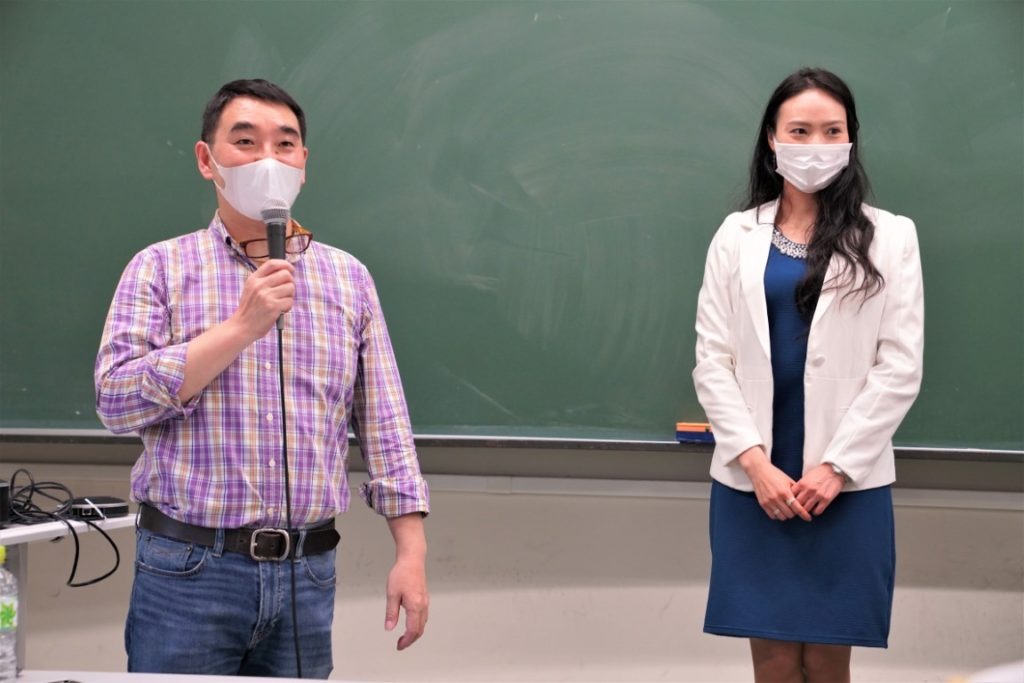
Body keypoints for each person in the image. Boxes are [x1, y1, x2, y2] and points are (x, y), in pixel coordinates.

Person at [95, 79, 430, 678]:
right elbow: (116, 402)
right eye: (245, 142)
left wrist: (412, 552)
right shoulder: (160, 268)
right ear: (207, 159)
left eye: (286, 144)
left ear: (305, 162)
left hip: (307, 571)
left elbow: (385, 426)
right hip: (189, 569)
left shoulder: (347, 279)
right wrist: (240, 328)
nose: (268, 160)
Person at [692, 67, 924, 682]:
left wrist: (835, 466)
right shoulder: (735, 236)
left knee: (827, 660)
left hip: (846, 481)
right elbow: (711, 361)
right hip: (754, 481)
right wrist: (755, 461)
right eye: (800, 130)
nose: (816, 145)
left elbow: (900, 367)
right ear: (772, 138)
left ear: (851, 140)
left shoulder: (890, 236)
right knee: (770, 662)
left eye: (832, 131)